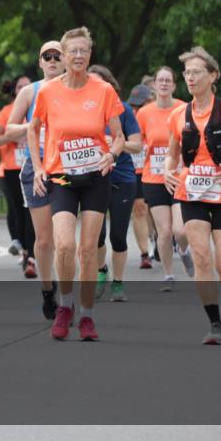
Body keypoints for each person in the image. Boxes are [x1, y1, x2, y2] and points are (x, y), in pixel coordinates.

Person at [28, 27, 124, 341]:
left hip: (96, 176)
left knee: (87, 251)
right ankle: (65, 306)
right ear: (64, 55)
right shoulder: (48, 91)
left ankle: (87, 316)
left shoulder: (103, 91)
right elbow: (33, 130)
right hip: (62, 178)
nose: (79, 56)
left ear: (90, 55)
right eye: (73, 51)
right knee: (65, 245)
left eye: (84, 51)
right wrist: (40, 167)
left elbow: (119, 136)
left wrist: (111, 153)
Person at [164, 46, 221, 345]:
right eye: (187, 73)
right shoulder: (178, 114)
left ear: (213, 75)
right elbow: (171, 154)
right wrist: (168, 171)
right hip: (191, 193)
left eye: (196, 72)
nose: (190, 78)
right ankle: (215, 324)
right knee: (202, 258)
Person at [5, 41, 65, 318]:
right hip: (37, 167)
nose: (52, 60)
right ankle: (47, 290)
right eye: (47, 56)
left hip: (68, 167)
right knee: (43, 241)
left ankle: (68, 294)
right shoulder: (30, 92)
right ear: (40, 62)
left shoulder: (76, 90)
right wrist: (32, 127)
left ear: (66, 61)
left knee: (65, 238)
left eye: (57, 56)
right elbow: (9, 129)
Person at [87, 65, 143, 302]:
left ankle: (118, 284)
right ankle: (102, 271)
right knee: (96, 237)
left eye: (100, 84)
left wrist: (115, 143)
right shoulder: (83, 110)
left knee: (118, 236)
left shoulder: (123, 110)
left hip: (122, 179)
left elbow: (137, 145)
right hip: (93, 178)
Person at [136, 67, 193, 289]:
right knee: (165, 231)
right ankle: (169, 275)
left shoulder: (184, 109)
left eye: (168, 80)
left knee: (180, 230)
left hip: (179, 178)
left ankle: (184, 249)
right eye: (160, 80)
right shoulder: (144, 113)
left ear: (174, 85)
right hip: (154, 178)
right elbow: (138, 143)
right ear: (154, 85)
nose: (163, 84)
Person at [0, 75, 36, 277]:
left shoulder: (42, 105)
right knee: (19, 211)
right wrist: (10, 137)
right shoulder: (7, 112)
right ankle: (25, 251)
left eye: (28, 86)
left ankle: (29, 255)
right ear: (15, 91)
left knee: (32, 211)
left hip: (36, 166)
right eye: (20, 86)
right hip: (12, 168)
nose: (24, 89)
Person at [127, 82, 156, 268]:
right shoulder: (128, 115)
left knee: (155, 211)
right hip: (135, 169)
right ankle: (145, 253)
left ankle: (159, 238)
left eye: (141, 104)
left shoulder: (158, 114)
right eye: (134, 104)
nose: (136, 108)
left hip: (156, 170)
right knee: (139, 209)